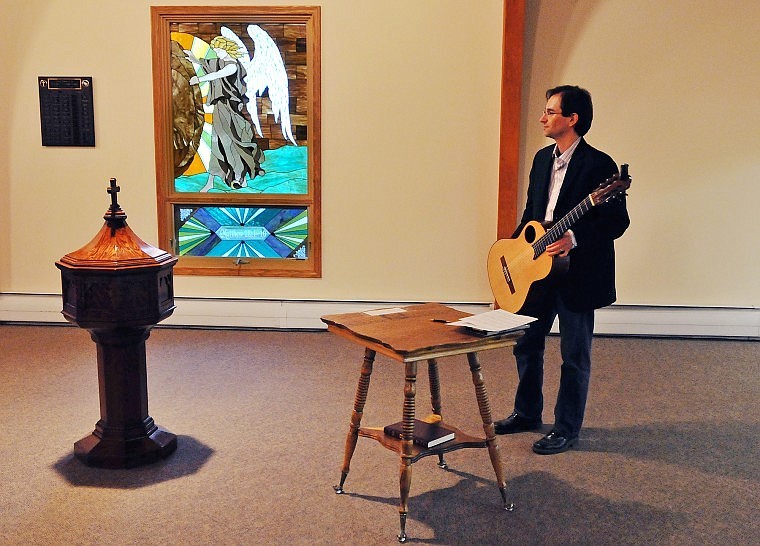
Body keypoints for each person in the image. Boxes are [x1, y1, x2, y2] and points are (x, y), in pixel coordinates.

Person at [494, 85, 630, 454]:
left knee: (574, 354)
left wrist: (575, 236)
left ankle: (567, 427)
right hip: (536, 270)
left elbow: (617, 223)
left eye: (550, 112)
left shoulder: (600, 166)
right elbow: (530, 217)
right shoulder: (541, 159)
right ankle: (526, 413)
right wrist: (510, 261)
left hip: (578, 274)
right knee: (526, 345)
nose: (542, 117)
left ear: (573, 119)